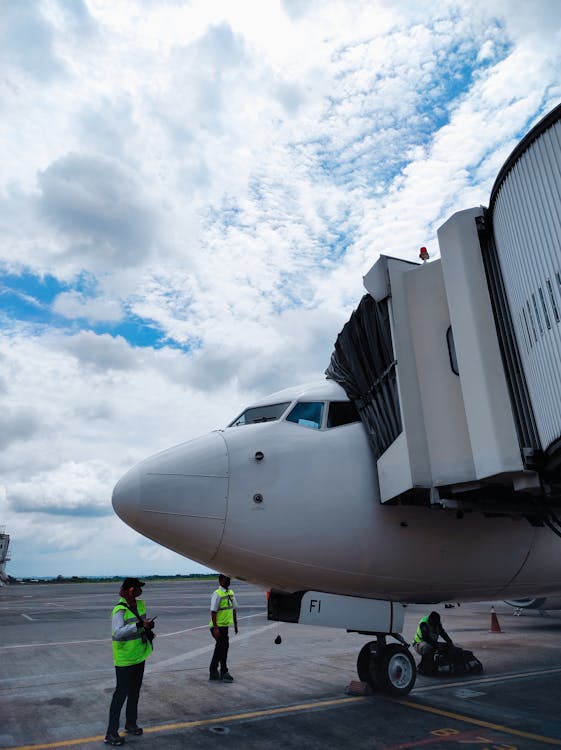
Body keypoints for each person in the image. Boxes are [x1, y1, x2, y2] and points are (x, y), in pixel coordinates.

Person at [105, 578, 155, 746]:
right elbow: (118, 633)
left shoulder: (141, 604)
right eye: (139, 588)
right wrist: (139, 626)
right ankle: (111, 733)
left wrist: (147, 625)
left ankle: (130, 723)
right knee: (120, 695)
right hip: (125, 660)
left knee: (135, 693)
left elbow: (142, 623)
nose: (141, 591)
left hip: (139, 656)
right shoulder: (119, 610)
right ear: (131, 590)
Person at [209, 574, 238, 682]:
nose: (228, 581)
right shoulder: (217, 594)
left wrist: (235, 625)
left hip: (225, 627)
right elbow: (213, 612)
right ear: (220, 581)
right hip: (217, 627)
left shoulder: (231, 593)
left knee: (221, 648)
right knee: (223, 648)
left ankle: (214, 671)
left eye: (229, 579)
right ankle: (223, 672)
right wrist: (216, 628)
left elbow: (233, 609)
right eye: (226, 579)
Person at [413, 611, 453, 675]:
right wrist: (437, 645)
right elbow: (425, 638)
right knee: (428, 647)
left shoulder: (437, 623)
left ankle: (431, 665)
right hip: (419, 644)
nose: (436, 624)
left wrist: (450, 642)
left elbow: (443, 634)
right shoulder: (424, 623)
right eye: (435, 623)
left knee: (445, 646)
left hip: (431, 643)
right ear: (430, 619)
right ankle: (424, 667)